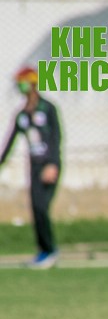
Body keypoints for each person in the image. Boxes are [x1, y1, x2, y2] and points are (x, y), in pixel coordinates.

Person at [0, 67, 62, 269]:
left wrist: (52, 164)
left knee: (42, 207)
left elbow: (56, 138)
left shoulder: (47, 108)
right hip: (34, 167)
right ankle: (43, 250)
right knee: (36, 207)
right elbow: (10, 142)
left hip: (48, 166)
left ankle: (50, 250)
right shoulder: (22, 114)